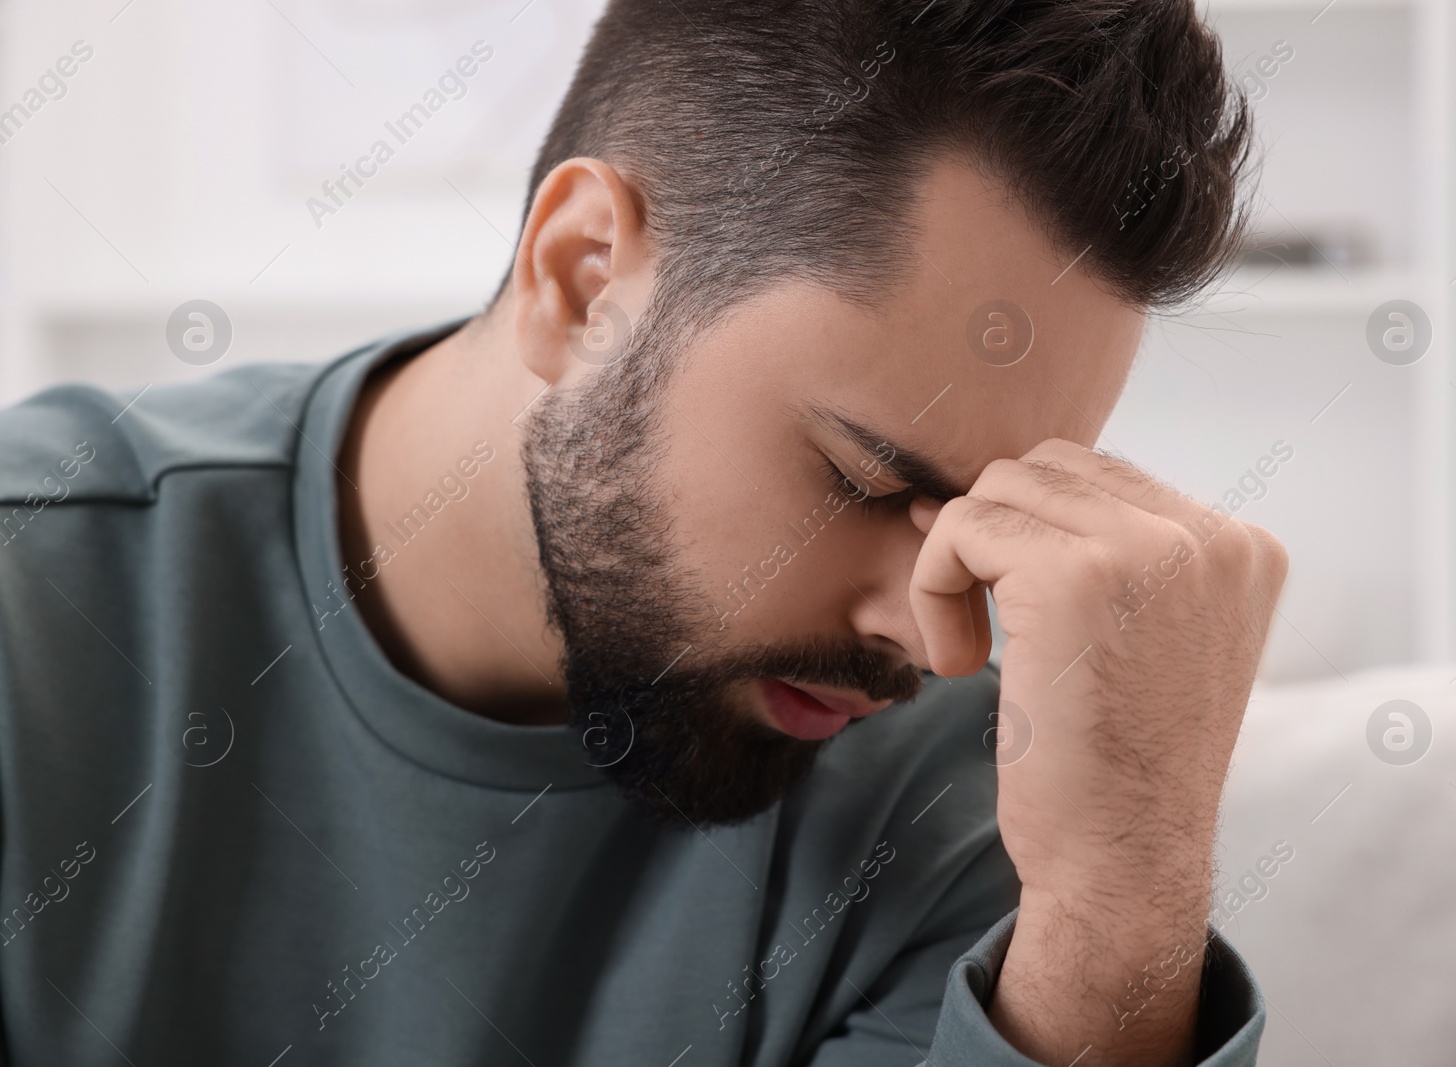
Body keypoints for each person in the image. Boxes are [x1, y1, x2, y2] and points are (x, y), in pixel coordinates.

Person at [0, 1, 1287, 1064]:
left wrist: (1123, 898)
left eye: (985, 521)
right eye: (856, 476)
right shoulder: (32, 612)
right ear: (581, 276)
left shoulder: (969, 806)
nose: (929, 631)